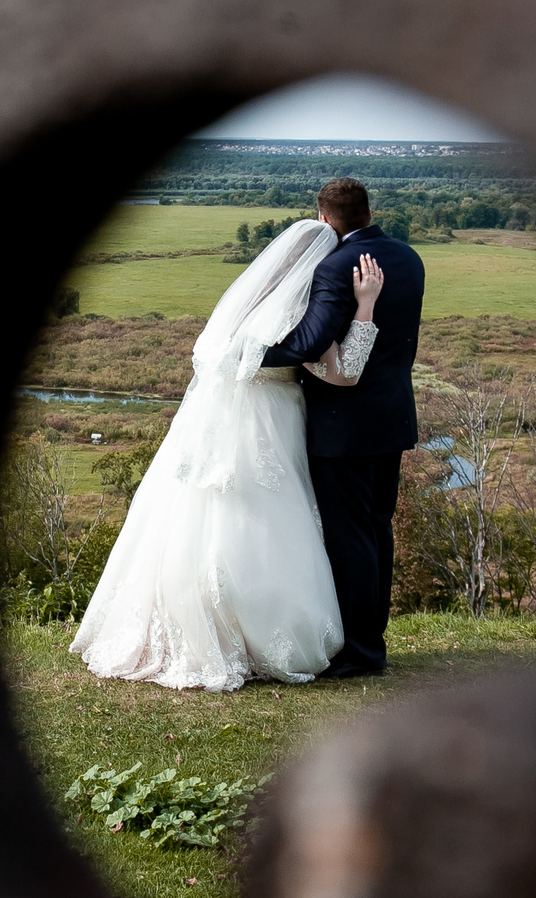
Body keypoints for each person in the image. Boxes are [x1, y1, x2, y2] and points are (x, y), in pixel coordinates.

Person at [68, 214, 387, 691]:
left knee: (199, 516)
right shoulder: (303, 313)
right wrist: (365, 306)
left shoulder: (247, 308)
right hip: (272, 419)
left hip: (227, 420)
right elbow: (345, 372)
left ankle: (192, 626)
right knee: (267, 520)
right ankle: (251, 632)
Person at [260, 177, 427, 677]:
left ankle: (360, 652)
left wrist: (249, 352)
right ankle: (371, 640)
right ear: (366, 210)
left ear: (325, 217)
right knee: (377, 530)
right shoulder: (409, 258)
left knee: (350, 537)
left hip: (344, 427)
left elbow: (312, 343)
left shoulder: (335, 267)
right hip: (391, 418)